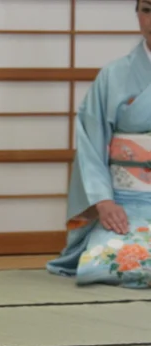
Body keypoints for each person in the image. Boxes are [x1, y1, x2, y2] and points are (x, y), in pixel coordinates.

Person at [47, 0, 151, 289]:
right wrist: (104, 202)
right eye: (147, 9)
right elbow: (91, 141)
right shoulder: (114, 75)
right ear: (137, 14)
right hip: (127, 202)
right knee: (112, 262)